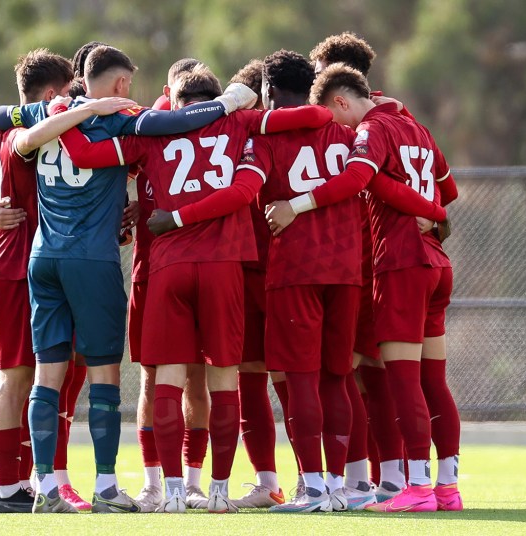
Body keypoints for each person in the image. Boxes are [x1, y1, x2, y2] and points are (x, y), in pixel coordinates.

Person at [0, 45, 258, 514]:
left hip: (42, 259)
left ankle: (42, 487)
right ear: (123, 84)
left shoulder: (43, 118)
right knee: (104, 374)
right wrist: (229, 102)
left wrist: (68, 109)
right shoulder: (124, 120)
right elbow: (177, 124)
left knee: (45, 378)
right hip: (92, 260)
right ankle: (105, 485)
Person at [56, 65, 333, 513]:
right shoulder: (238, 121)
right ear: (217, 96)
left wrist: (61, 113)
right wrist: (242, 102)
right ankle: (217, 492)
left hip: (167, 265)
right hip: (224, 265)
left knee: (165, 380)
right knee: (225, 381)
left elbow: (86, 156)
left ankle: (171, 494)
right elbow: (317, 118)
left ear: (174, 103)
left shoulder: (153, 131)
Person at [266, 63, 461, 513]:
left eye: (336, 117)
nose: (338, 129)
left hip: (401, 262)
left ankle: (416, 486)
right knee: (433, 379)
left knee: (403, 380)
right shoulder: (419, 129)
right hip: (436, 260)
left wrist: (296, 205)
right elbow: (447, 192)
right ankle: (448, 487)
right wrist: (430, 210)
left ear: (340, 101)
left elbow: (357, 178)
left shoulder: (371, 131)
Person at [0, 48, 138, 514]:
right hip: (19, 262)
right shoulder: (37, 131)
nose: (76, 98)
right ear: (51, 95)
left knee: (4, 380)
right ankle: (10, 488)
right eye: (69, 92)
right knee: (19, 380)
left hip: (1, 260)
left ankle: (6, 486)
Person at [130, 57, 215, 513]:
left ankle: (194, 482)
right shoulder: (149, 133)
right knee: (151, 378)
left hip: (192, 267)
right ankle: (152, 482)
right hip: (150, 268)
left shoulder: (215, 137)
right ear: (167, 91)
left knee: (196, 378)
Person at [225, 58, 288, 510]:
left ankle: (319, 479)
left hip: (283, 272)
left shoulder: (274, 137)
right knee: (255, 379)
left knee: (293, 379)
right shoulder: (228, 141)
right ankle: (272, 482)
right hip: (246, 271)